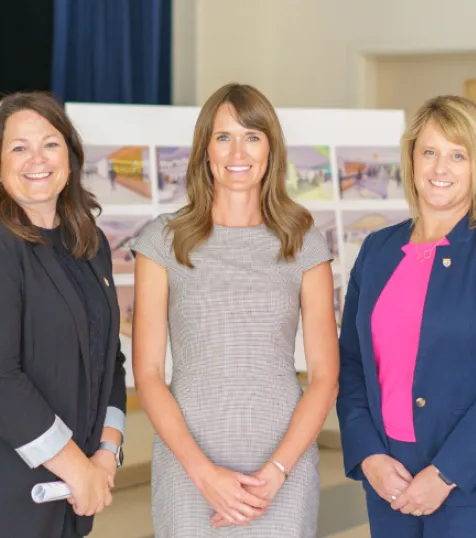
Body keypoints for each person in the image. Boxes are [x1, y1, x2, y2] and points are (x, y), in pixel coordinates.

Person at [336, 95, 476, 537]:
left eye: (458, 155)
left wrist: (446, 472)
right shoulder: (377, 251)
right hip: (390, 484)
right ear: (412, 158)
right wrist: (370, 457)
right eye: (429, 152)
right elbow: (352, 365)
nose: (440, 168)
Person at [131, 83, 339, 537]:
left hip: (282, 466)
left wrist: (276, 472)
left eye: (252, 137)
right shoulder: (163, 240)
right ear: (205, 149)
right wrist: (203, 474)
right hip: (189, 466)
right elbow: (147, 374)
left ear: (270, 148)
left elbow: (325, 376)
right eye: (224, 137)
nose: (237, 152)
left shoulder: (302, 241)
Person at [0, 91, 127, 538]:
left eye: (50, 144)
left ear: (70, 157)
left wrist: (106, 454)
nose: (36, 159)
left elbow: (111, 359)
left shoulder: (90, 243)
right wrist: (78, 469)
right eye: (19, 147)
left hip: (71, 493)